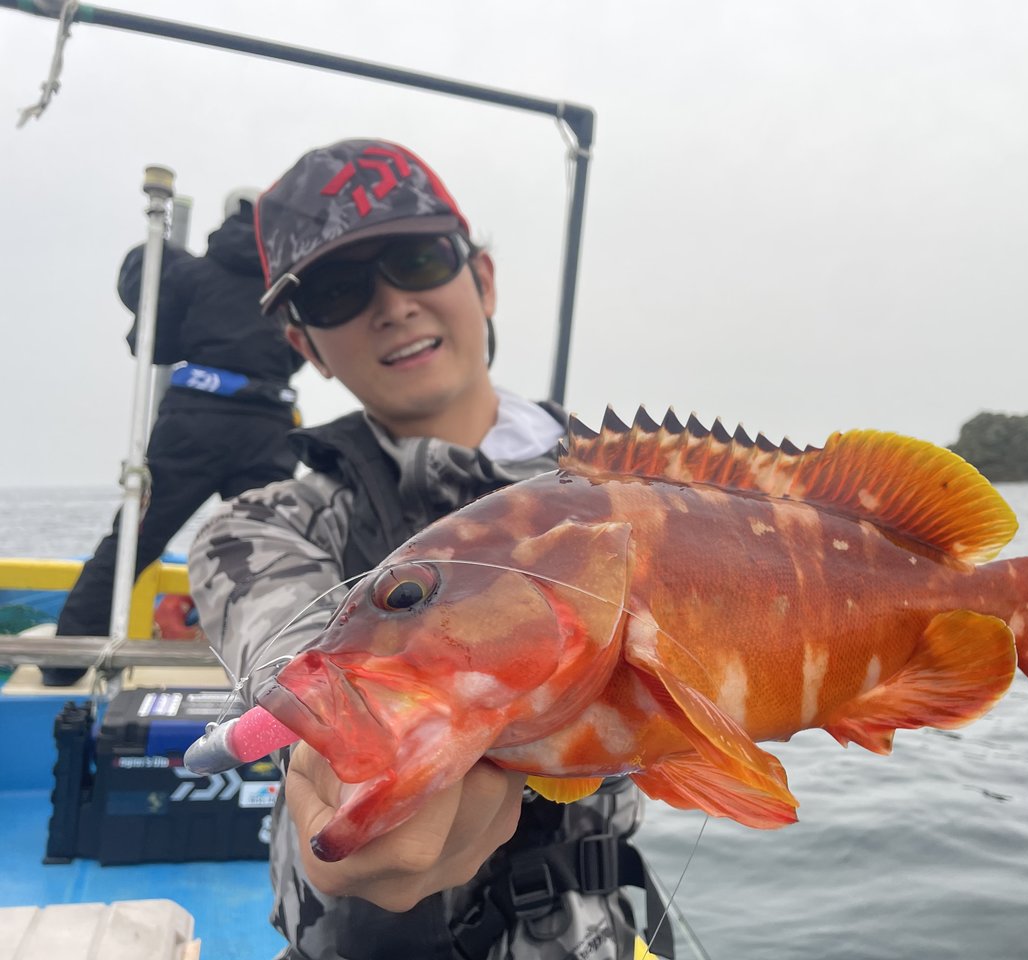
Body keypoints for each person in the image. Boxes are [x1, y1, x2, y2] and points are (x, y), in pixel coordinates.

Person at [188, 139, 666, 960]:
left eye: (415, 259)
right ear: (305, 346)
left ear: (481, 280)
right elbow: (299, 658)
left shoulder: (641, 491)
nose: (392, 305)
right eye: (339, 290)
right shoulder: (258, 529)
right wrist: (342, 750)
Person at [45, 191, 304, 686]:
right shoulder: (288, 286)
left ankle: (63, 664)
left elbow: (152, 346)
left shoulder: (191, 273)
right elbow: (299, 354)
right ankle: (278, 676)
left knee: (135, 540)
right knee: (270, 556)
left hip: (195, 423)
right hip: (269, 426)